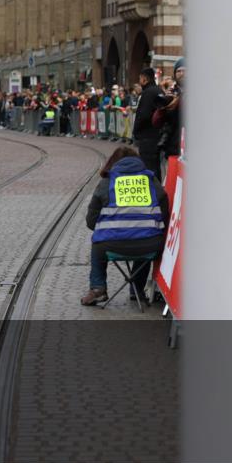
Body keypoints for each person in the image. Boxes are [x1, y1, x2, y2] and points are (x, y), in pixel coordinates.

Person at [81, 147, 169, 306]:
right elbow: (164, 216)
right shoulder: (152, 181)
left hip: (112, 244)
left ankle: (98, 288)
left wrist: (115, 229)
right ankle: (137, 289)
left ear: (113, 163)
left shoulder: (106, 182)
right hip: (150, 247)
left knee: (97, 244)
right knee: (146, 236)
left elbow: (91, 221)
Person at [132, 68, 164, 177]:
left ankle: (152, 191)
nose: (139, 81)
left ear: (145, 78)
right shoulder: (159, 91)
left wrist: (136, 131)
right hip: (158, 135)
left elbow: (144, 115)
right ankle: (157, 189)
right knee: (156, 167)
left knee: (148, 167)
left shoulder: (148, 93)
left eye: (140, 78)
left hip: (148, 137)